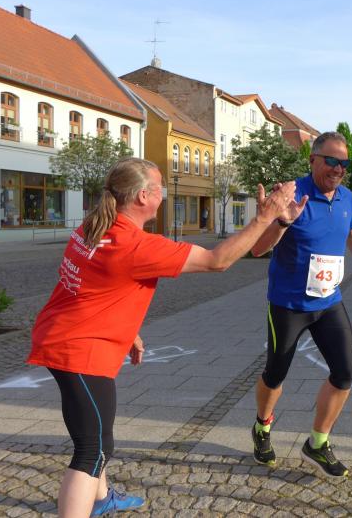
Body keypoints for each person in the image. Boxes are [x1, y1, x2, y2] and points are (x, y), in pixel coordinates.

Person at [26, 157, 298, 518]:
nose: (164, 196)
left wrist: (128, 330)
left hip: (64, 338)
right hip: (80, 352)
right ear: (143, 196)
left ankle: (101, 498)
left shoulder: (96, 224)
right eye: (161, 189)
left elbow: (97, 285)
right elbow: (217, 260)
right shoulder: (137, 246)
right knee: (93, 450)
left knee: (97, 433)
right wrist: (264, 217)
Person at [249, 131, 352, 478]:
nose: (338, 169)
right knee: (275, 374)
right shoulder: (290, 194)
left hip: (329, 302)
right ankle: (262, 426)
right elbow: (258, 248)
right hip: (288, 304)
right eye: (331, 161)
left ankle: (318, 442)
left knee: (345, 373)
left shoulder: (346, 198)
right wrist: (284, 220)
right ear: (312, 159)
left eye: (344, 163)